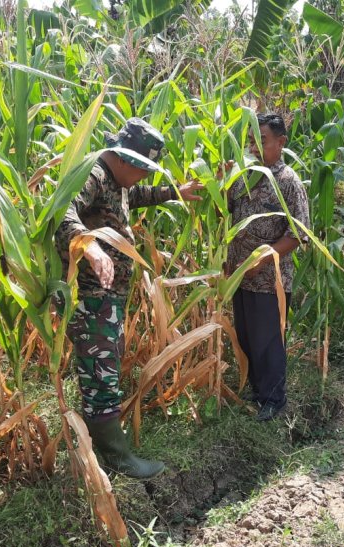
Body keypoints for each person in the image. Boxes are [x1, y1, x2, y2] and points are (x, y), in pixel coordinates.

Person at [56, 118, 203, 478]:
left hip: (105, 297)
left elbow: (131, 197)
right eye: (141, 169)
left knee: (100, 370)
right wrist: (89, 247)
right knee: (102, 374)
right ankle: (117, 459)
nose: (142, 178)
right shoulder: (93, 173)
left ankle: (95, 444)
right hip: (91, 296)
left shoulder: (114, 178)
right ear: (124, 159)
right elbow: (62, 211)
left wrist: (174, 192)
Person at [225, 113, 310, 421]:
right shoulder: (243, 177)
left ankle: (274, 399)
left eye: (260, 140)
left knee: (268, 340)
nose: (253, 147)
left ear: (280, 142)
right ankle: (256, 390)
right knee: (246, 336)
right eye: (250, 141)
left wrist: (259, 261)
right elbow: (230, 215)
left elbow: (298, 234)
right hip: (239, 277)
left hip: (268, 280)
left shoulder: (288, 182)